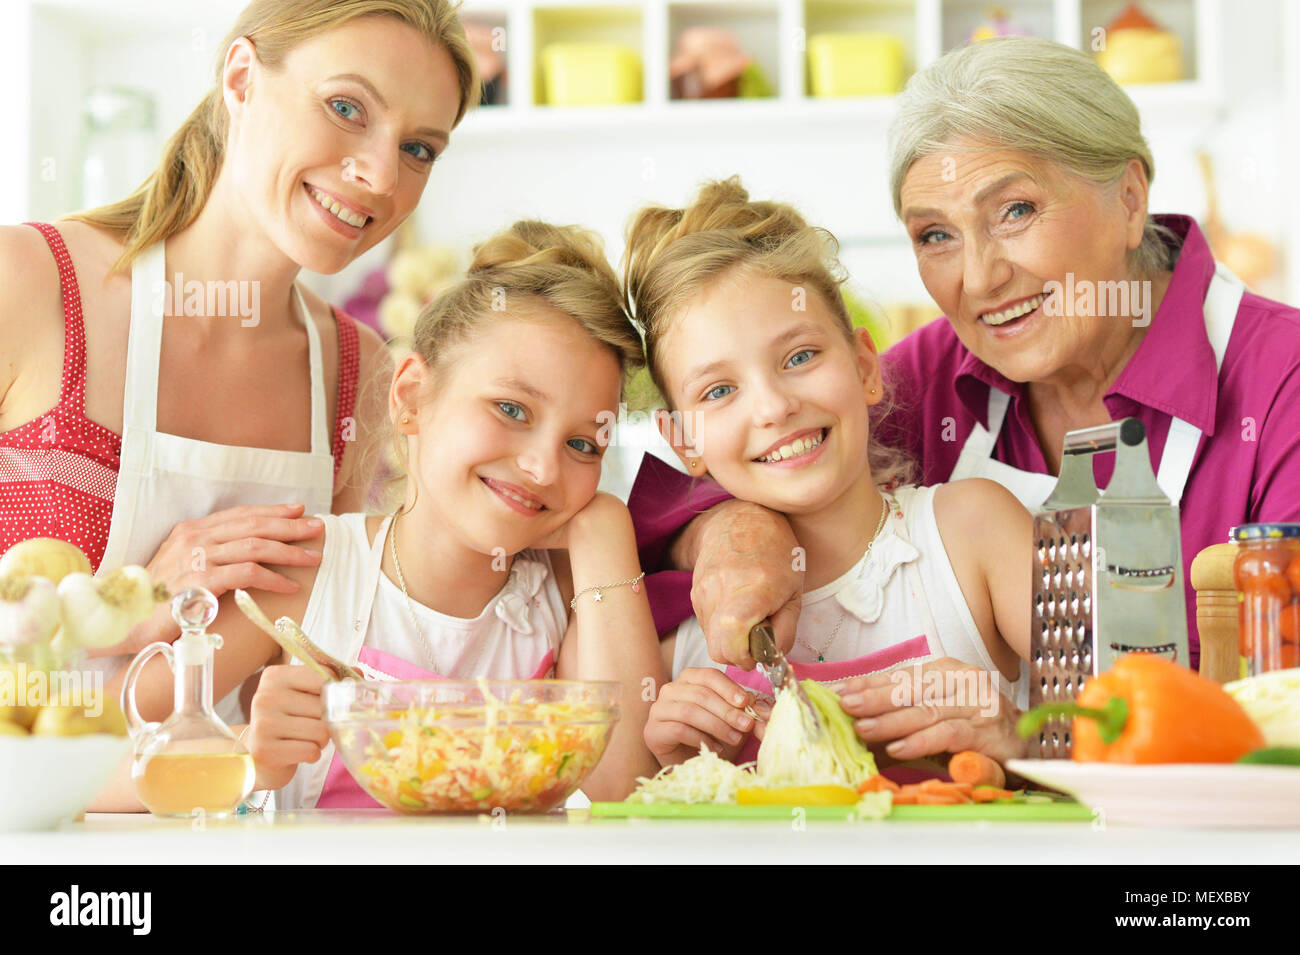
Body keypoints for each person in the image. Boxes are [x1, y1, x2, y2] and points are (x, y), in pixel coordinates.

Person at [634, 36, 1300, 676]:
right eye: (936, 234)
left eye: (1015, 210)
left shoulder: (1281, 382)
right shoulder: (928, 379)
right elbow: (725, 463)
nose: (979, 280)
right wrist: (738, 532)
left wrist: (1017, 739)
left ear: (1129, 200)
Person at [0, 1, 478, 699]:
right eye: (347, 107)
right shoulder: (29, 283)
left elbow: (296, 665)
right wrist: (125, 615)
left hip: (236, 801)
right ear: (242, 79)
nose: (380, 175)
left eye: (418, 149)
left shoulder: (357, 370)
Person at [99, 221, 664, 810]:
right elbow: (89, 759)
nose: (543, 467)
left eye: (583, 445)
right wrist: (243, 757)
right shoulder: (304, 576)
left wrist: (603, 527)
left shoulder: (570, 594)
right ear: (413, 396)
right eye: (511, 409)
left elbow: (622, 785)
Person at [624, 179, 1032, 770]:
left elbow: (1120, 740)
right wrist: (676, 764)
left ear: (867, 366)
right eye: (719, 390)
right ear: (685, 441)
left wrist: (1017, 735)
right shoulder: (684, 632)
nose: (772, 407)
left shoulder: (974, 532)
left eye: (799, 357)